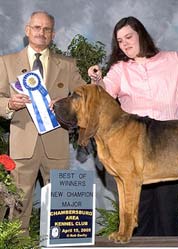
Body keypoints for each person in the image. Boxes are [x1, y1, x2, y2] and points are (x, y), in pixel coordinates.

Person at [88, 16, 178, 236]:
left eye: (128, 37)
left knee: (168, 211)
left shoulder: (172, 59)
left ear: (140, 35)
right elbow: (104, 93)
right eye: (120, 41)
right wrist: (97, 81)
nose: (125, 44)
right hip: (136, 146)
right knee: (141, 210)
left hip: (173, 143)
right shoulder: (118, 69)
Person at [0, 11, 85, 235]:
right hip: (22, 143)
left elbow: (85, 96)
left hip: (56, 140)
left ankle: (60, 241)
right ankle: (19, 241)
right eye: (37, 27)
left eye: (47, 29)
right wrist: (9, 104)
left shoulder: (67, 65)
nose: (41, 32)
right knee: (18, 200)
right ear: (27, 30)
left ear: (53, 34)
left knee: (60, 199)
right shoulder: (5, 62)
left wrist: (65, 102)